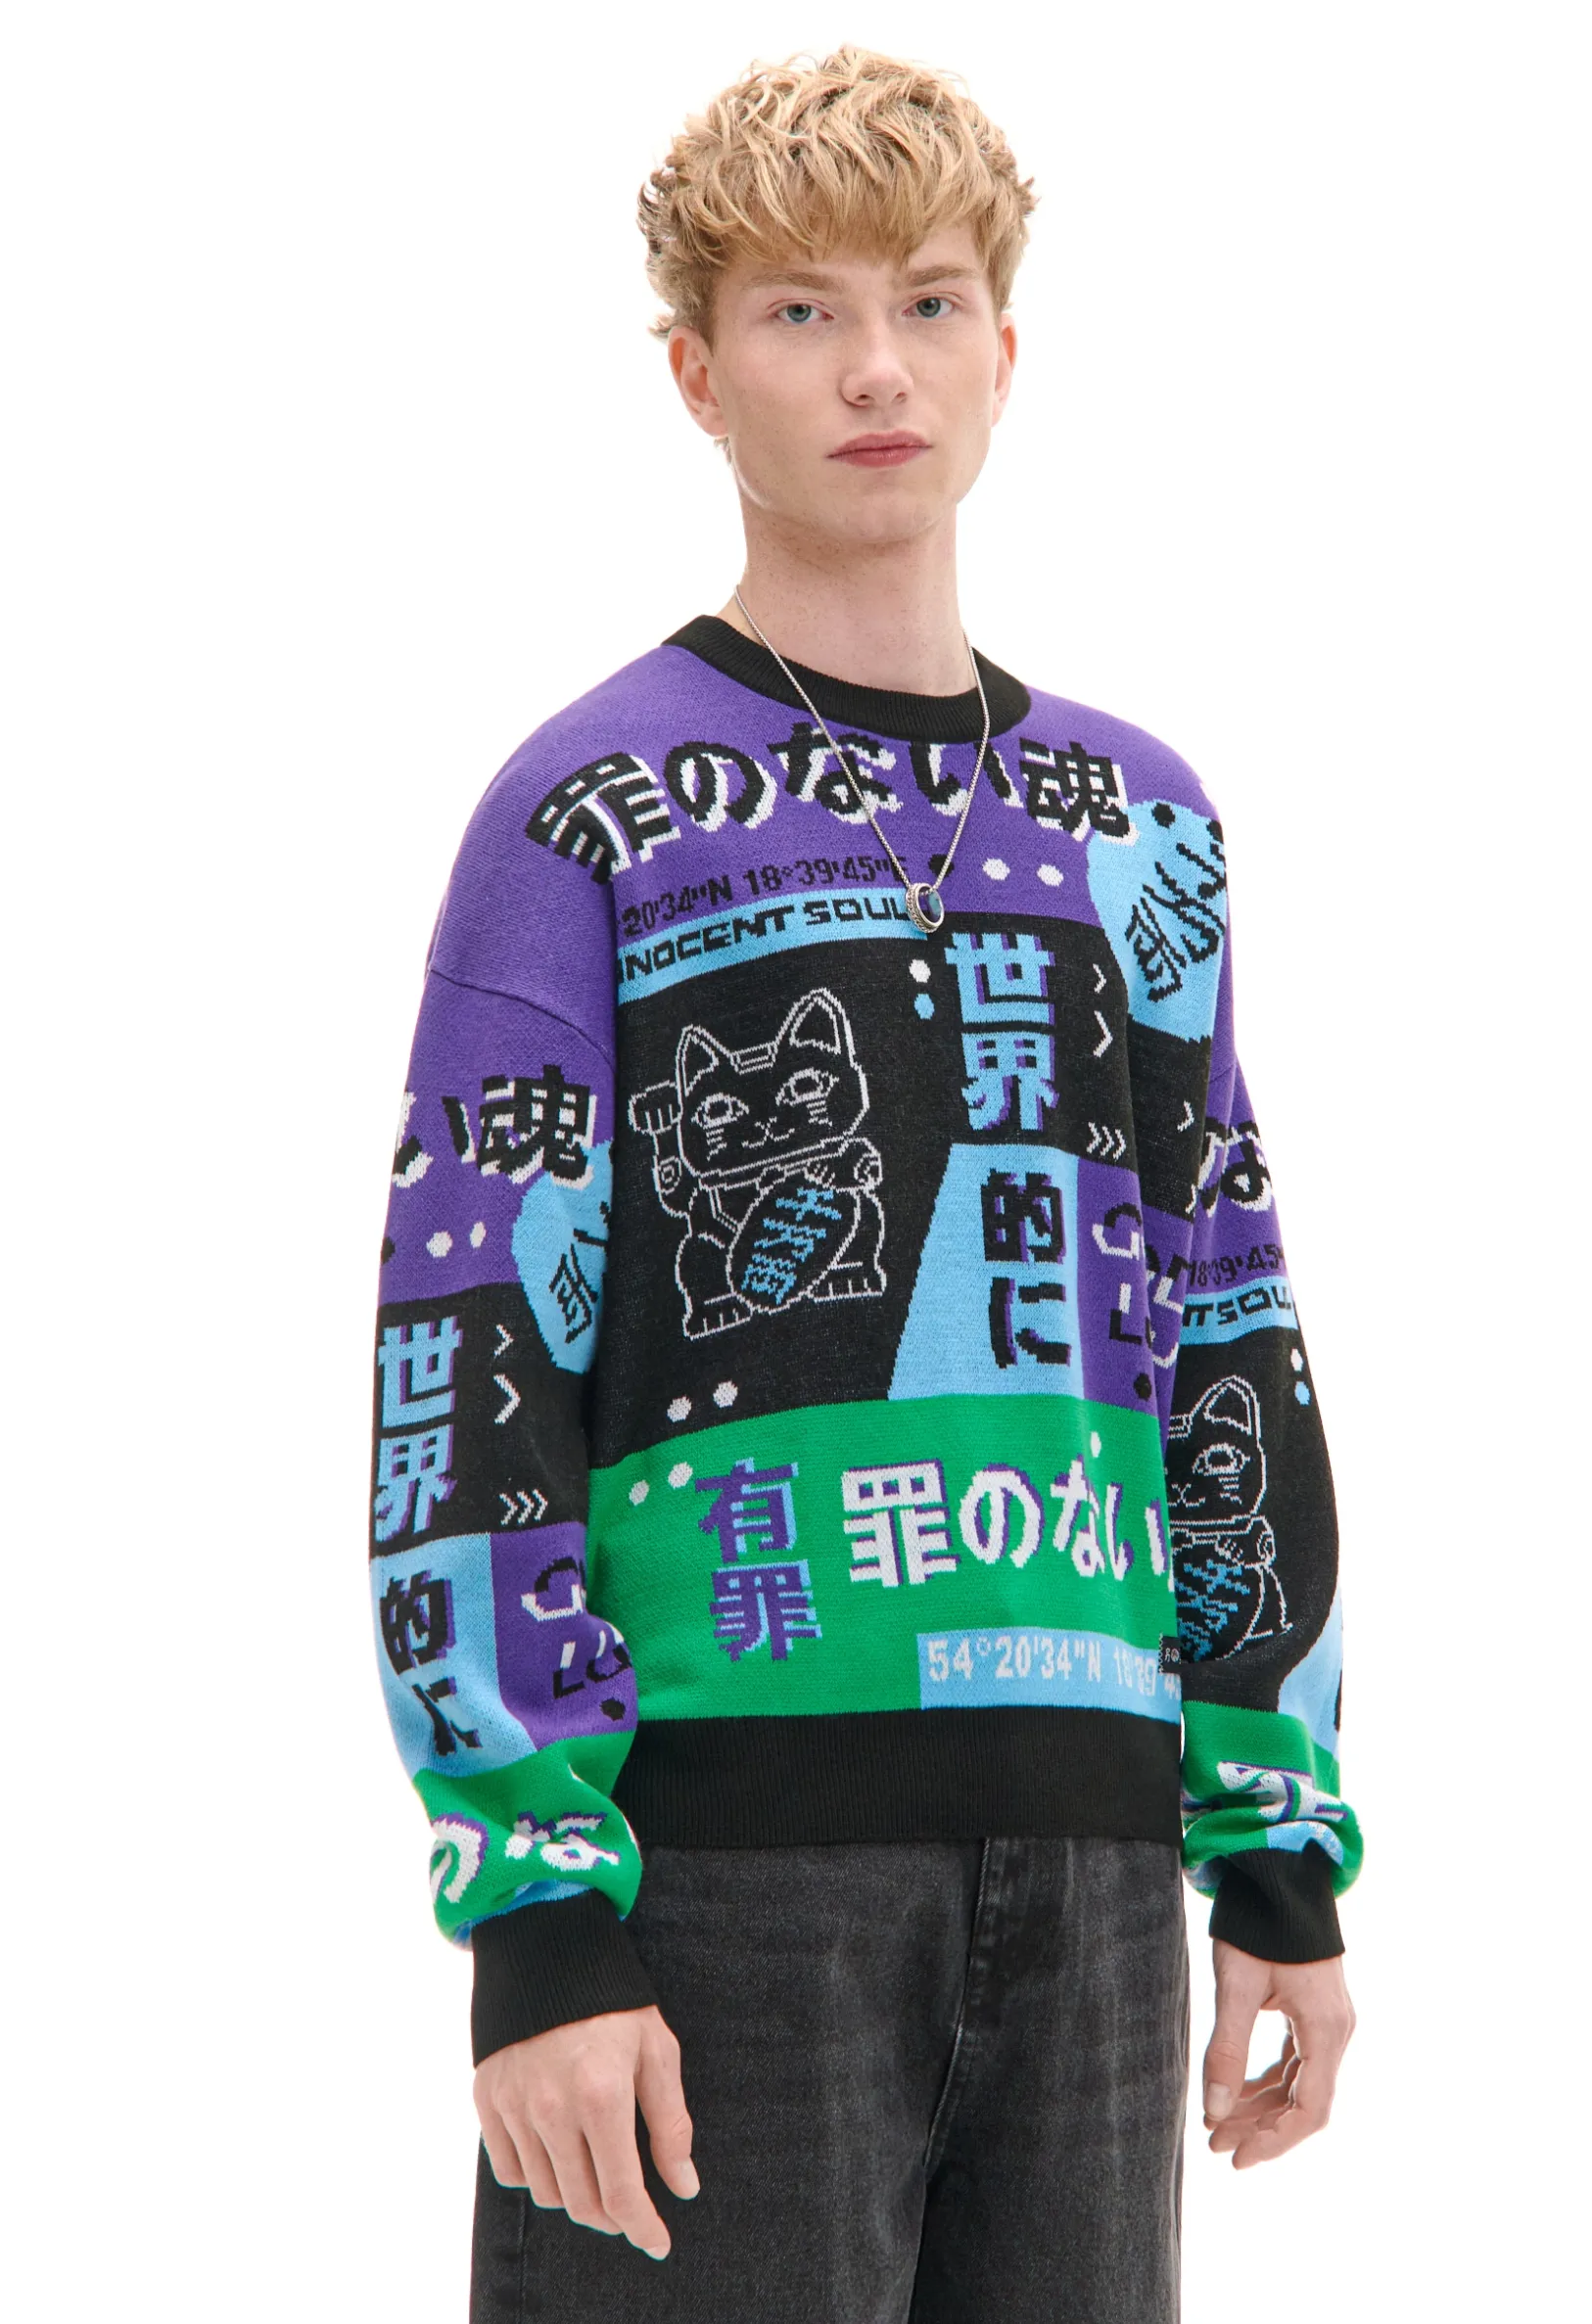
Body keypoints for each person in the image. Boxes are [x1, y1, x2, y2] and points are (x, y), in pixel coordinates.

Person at [367, 46, 1359, 2323]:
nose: (874, 367)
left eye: (923, 300)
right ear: (694, 370)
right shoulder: (587, 812)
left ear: (1005, 348)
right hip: (723, 1880)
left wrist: (1271, 1841)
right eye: (798, 312)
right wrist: (538, 1906)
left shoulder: (1139, 823)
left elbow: (1218, 1297)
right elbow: (471, 1335)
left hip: (1095, 1876)